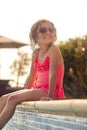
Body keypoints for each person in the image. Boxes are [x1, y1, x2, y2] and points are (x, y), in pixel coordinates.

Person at [0, 19, 65, 129]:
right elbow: (31, 76)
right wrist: (25, 91)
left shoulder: (54, 49)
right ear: (35, 36)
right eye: (43, 30)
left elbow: (53, 72)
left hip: (49, 91)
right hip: (38, 89)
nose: (48, 32)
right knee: (4, 98)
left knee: (12, 99)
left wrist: (50, 96)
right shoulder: (36, 53)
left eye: (51, 29)